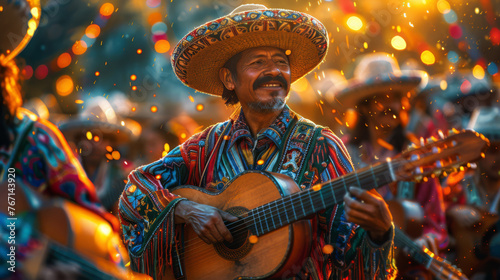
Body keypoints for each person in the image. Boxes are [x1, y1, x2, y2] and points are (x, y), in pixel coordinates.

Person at [118, 4, 396, 280]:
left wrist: (379, 233)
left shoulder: (321, 146)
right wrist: (186, 209)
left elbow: (347, 254)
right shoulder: (203, 147)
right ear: (229, 79)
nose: (273, 71)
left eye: (281, 62)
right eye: (258, 62)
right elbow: (135, 192)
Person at [0, 1, 133, 279]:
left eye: (102, 137)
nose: (95, 143)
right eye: (89, 136)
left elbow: (101, 240)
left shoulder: (36, 140)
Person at [333, 53, 448, 279]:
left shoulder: (416, 155)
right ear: (364, 107)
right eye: (382, 98)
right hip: (349, 265)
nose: (391, 105)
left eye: (396, 97)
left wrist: (427, 240)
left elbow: (437, 223)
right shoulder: (341, 152)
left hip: (403, 269)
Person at [445, 106, 500, 279]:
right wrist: (451, 211)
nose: (498, 159)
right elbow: (432, 219)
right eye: (492, 150)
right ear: (476, 153)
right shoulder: (456, 185)